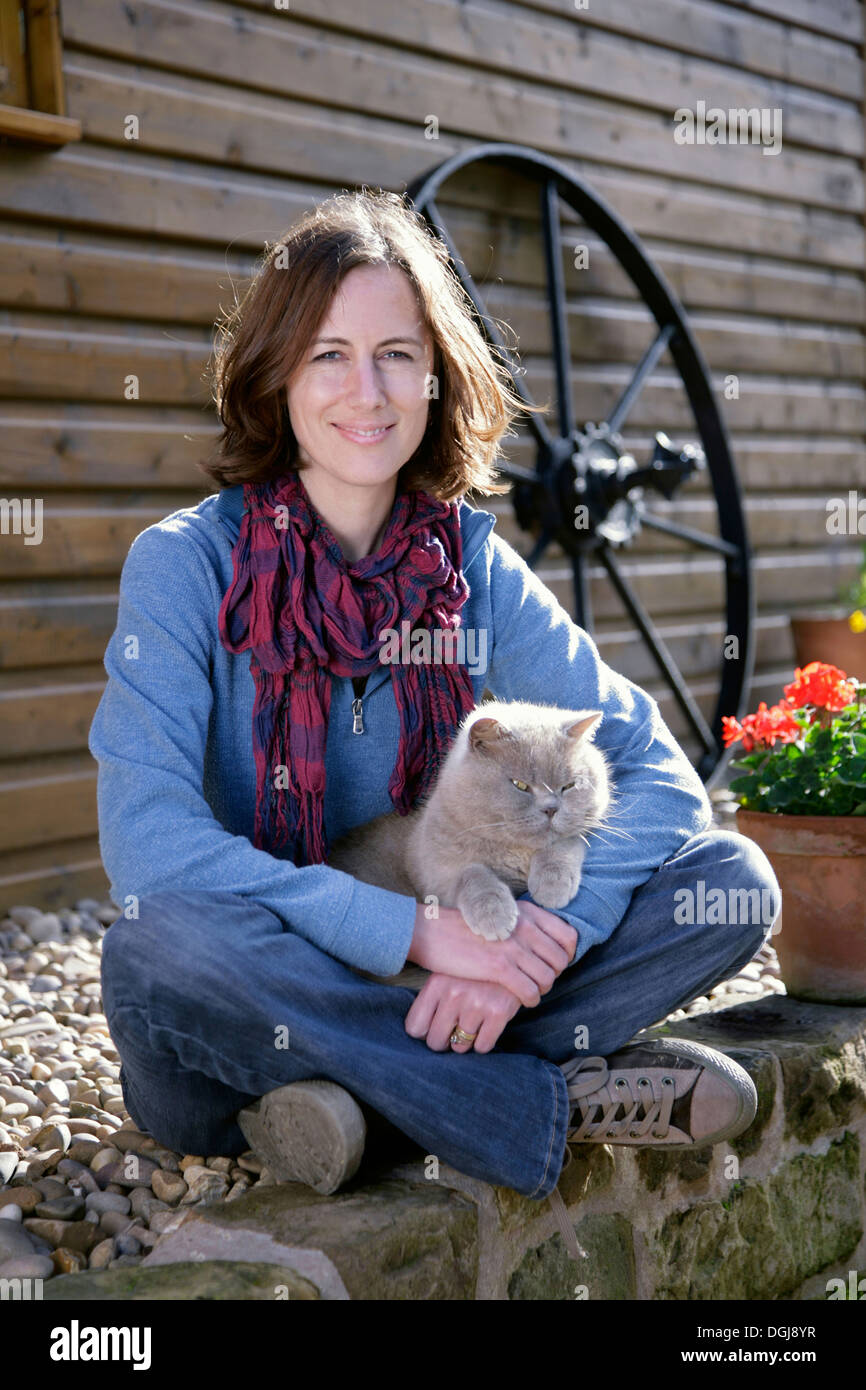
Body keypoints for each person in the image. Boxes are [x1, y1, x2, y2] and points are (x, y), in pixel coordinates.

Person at [90, 189, 781, 1263]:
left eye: (395, 354)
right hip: (256, 987)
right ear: (275, 373)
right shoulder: (184, 565)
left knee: (730, 880)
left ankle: (357, 1102)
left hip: (460, 980)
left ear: (434, 374)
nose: (365, 392)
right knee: (158, 940)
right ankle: (521, 1102)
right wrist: (417, 936)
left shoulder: (473, 568)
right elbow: (147, 846)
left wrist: (544, 936)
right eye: (328, 354)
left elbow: (654, 774)